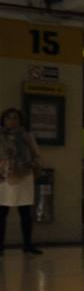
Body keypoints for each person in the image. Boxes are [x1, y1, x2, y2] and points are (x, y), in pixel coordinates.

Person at [0, 107, 42, 255]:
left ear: (20, 120)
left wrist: (33, 164)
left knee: (25, 212)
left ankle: (27, 245)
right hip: (3, 176)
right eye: (8, 117)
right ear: (3, 120)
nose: (12, 121)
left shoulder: (27, 136)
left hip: (24, 174)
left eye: (15, 118)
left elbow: (36, 154)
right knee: (2, 212)